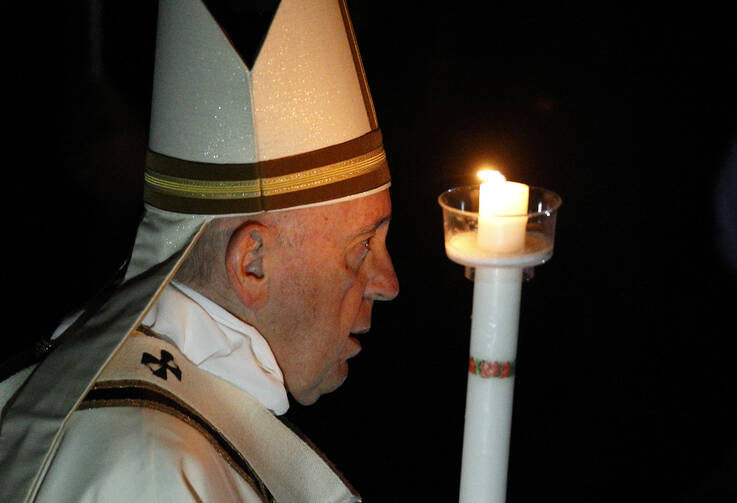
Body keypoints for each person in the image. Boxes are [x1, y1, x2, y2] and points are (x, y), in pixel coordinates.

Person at [0, 0, 397, 501]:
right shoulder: (149, 468)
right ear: (253, 263)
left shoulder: (182, 411)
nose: (388, 283)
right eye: (363, 244)